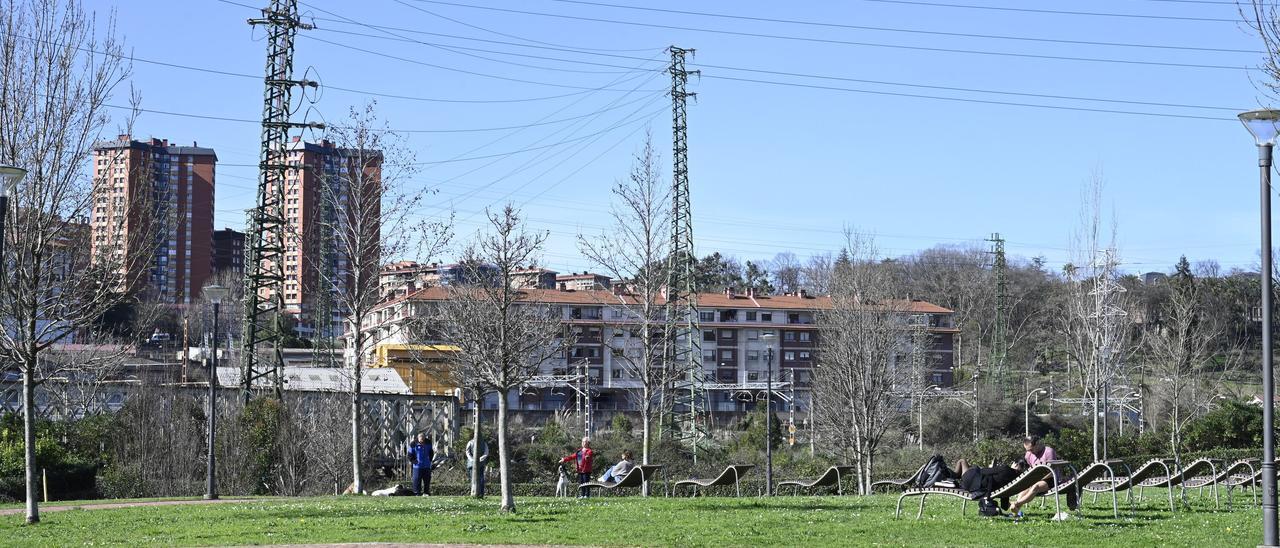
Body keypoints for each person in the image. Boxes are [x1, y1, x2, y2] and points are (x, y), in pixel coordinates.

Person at [1008, 435, 1076, 519]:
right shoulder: (1028, 454)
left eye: (1031, 449)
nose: (1030, 452)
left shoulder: (1049, 452)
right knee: (1024, 487)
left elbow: (1052, 471)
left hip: (1051, 479)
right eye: (1028, 450)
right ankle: (1017, 511)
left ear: (1037, 444)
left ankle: (1016, 504)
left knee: (1035, 486)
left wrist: (1037, 479)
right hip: (1036, 478)